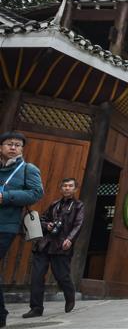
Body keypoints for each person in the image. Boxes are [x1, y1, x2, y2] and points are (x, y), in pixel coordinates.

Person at [0, 131, 44, 327]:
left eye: (17, 145)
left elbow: (36, 193)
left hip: (6, 225)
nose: (13, 147)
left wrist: (6, 197)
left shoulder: (28, 169)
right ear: (1, 147)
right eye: (9, 144)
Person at [23, 177, 83, 318]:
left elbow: (78, 224)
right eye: (64, 186)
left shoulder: (79, 206)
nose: (67, 188)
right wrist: (47, 225)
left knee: (61, 276)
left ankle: (70, 294)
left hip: (61, 246)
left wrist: (70, 239)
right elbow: (43, 219)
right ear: (61, 188)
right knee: (37, 276)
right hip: (44, 244)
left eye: (70, 186)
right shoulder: (54, 204)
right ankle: (36, 308)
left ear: (75, 189)